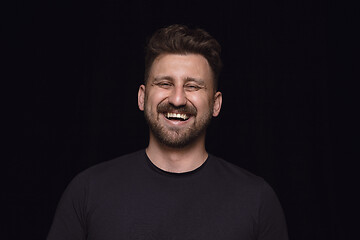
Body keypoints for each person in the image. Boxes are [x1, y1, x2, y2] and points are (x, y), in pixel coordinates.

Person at [47, 24, 288, 240]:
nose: (177, 99)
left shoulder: (256, 200)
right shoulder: (88, 191)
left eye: (193, 86)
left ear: (216, 104)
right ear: (142, 97)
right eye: (165, 84)